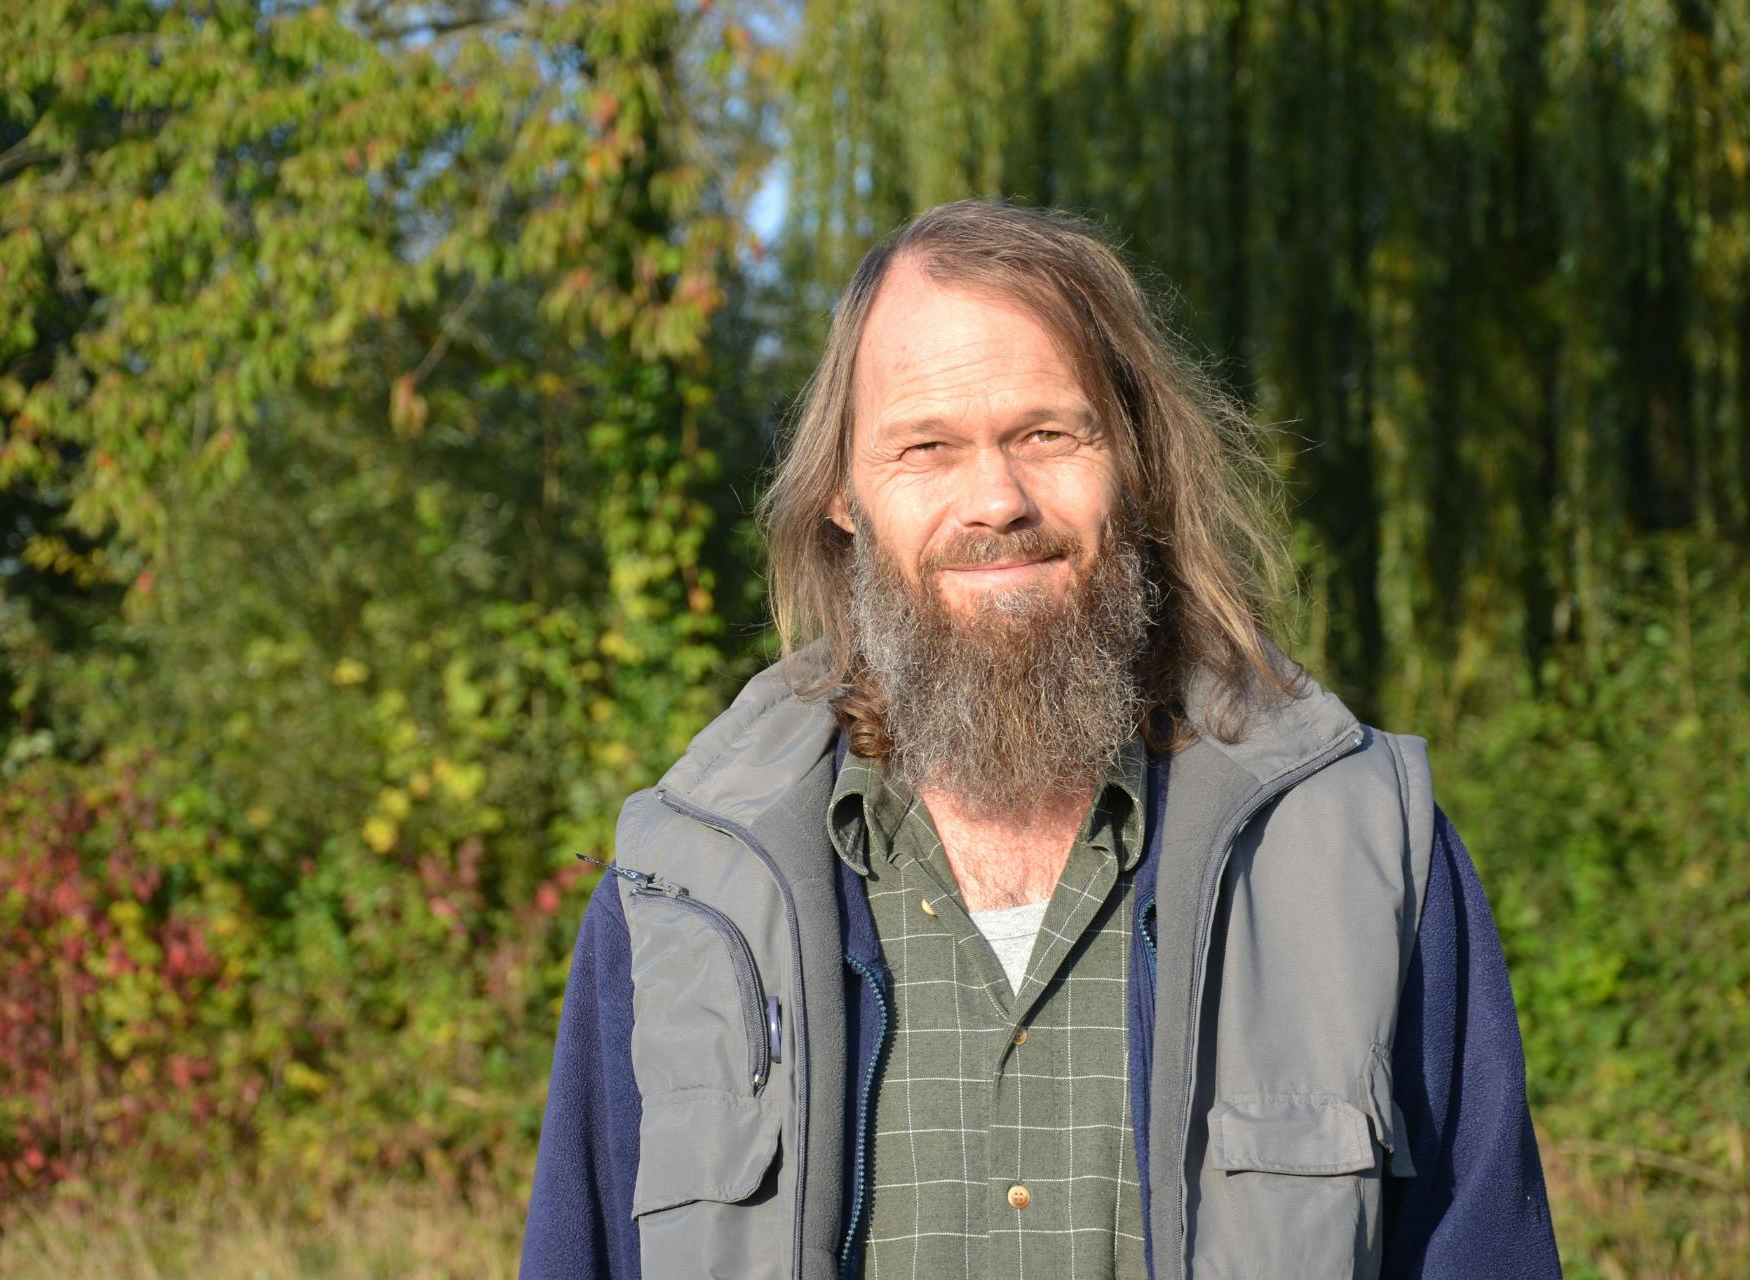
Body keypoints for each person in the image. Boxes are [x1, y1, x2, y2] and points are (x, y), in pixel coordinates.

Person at [519, 201, 1561, 1279]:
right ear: (842, 496)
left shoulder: (1361, 853)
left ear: (1138, 463)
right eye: (926, 446)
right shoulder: (685, 891)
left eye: (1047, 434)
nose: (997, 499)